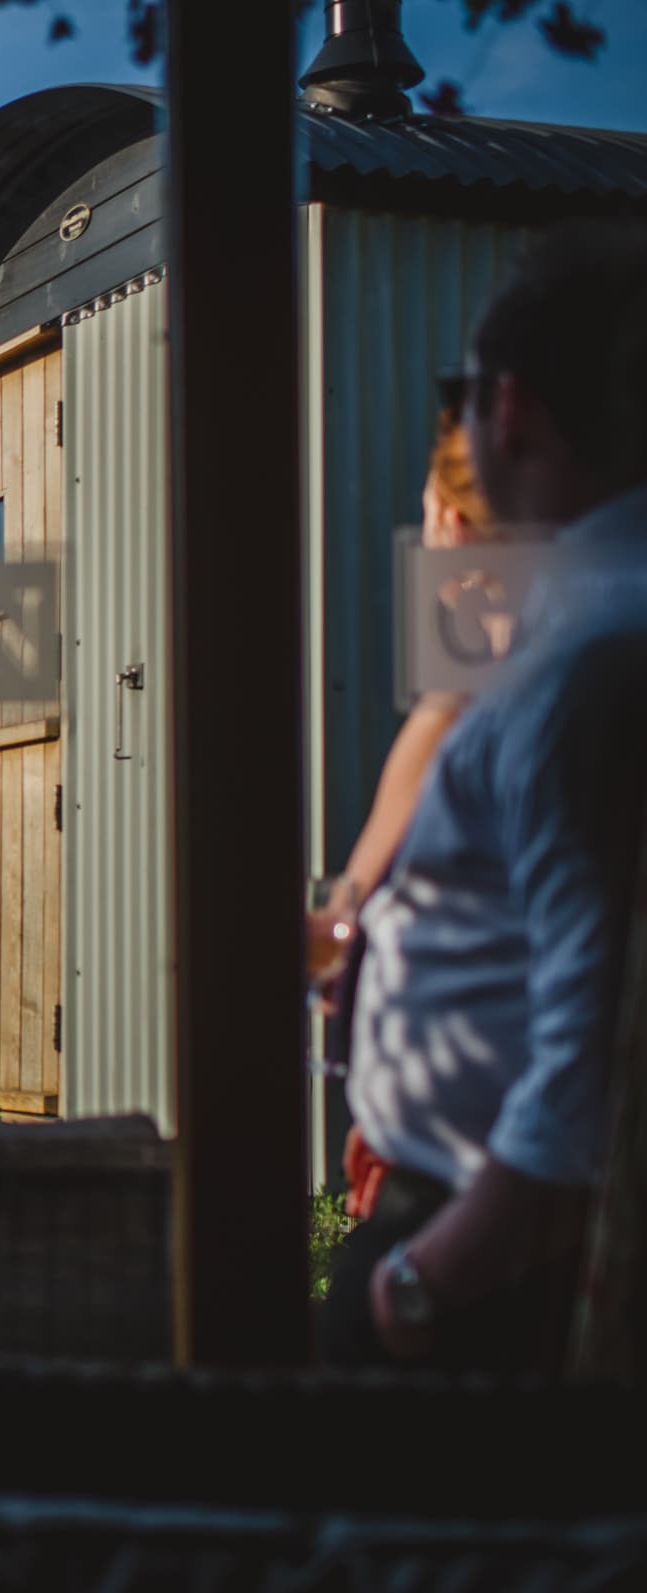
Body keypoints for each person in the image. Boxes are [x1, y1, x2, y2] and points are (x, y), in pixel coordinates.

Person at [324, 220, 647, 1370]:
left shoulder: (583, 666)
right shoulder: (585, 634)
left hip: (481, 1269)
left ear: (508, 411)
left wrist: (421, 1282)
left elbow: (596, 1048)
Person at [310, 412, 495, 1219]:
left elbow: (357, 920)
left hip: (468, 1199)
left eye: (426, 513)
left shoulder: (462, 713)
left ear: (452, 525)